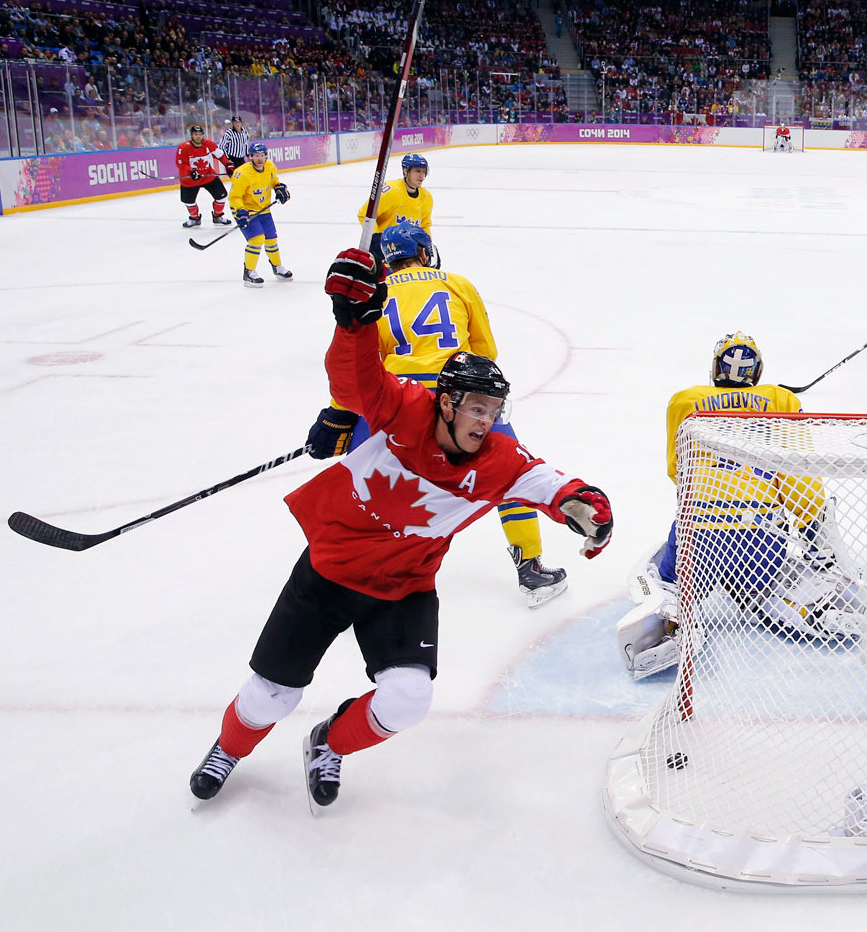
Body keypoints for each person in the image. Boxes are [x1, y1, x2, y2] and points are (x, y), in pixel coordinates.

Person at [189, 246, 613, 808]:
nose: (485, 422)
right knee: (269, 696)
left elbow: (550, 486)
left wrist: (584, 506)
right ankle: (229, 748)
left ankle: (328, 745)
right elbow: (355, 382)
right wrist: (354, 324)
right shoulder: (403, 409)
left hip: (402, 588)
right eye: (475, 409)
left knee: (408, 698)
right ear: (446, 403)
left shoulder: (499, 458)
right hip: (329, 572)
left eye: (493, 412)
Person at [304, 222, 568, 607]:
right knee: (512, 473)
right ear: (425, 252)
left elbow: (361, 364)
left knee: (363, 487)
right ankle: (530, 567)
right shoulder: (456, 283)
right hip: (460, 396)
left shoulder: (379, 292)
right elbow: (484, 352)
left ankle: (347, 582)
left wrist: (340, 413)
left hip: (395, 401)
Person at [617, 333, 827, 678]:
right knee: (762, 583)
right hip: (762, 539)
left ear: (716, 368)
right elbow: (799, 475)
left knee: (669, 580)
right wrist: (810, 525)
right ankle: (782, 602)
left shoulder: (686, 401)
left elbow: (676, 470)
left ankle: (673, 621)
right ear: (757, 371)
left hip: (699, 535)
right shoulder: (781, 400)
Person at [356, 153, 436, 267]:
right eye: (417, 171)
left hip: (410, 256)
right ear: (405, 171)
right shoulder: (390, 191)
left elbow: (424, 225)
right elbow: (364, 213)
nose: (422, 176)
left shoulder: (426, 197)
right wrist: (375, 238)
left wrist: (428, 246)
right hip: (387, 252)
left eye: (424, 172)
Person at [228, 142, 291, 287]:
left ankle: (277, 267)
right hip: (244, 210)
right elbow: (234, 197)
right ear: (250, 157)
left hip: (263, 208)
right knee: (257, 239)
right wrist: (240, 212)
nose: (259, 159)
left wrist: (280, 189)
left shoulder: (270, 166)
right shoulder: (241, 174)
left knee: (271, 239)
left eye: (261, 155)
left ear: (266, 156)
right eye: (256, 156)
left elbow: (274, 182)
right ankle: (249, 272)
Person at [175, 124, 232, 228]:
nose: (198, 136)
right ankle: (194, 218)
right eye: (195, 134)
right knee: (189, 201)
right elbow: (181, 163)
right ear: (191, 136)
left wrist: (227, 164)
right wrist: (191, 171)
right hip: (190, 179)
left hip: (208, 176)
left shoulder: (208, 144)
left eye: (200, 134)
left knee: (222, 196)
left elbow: (220, 155)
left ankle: (217, 216)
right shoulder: (183, 148)